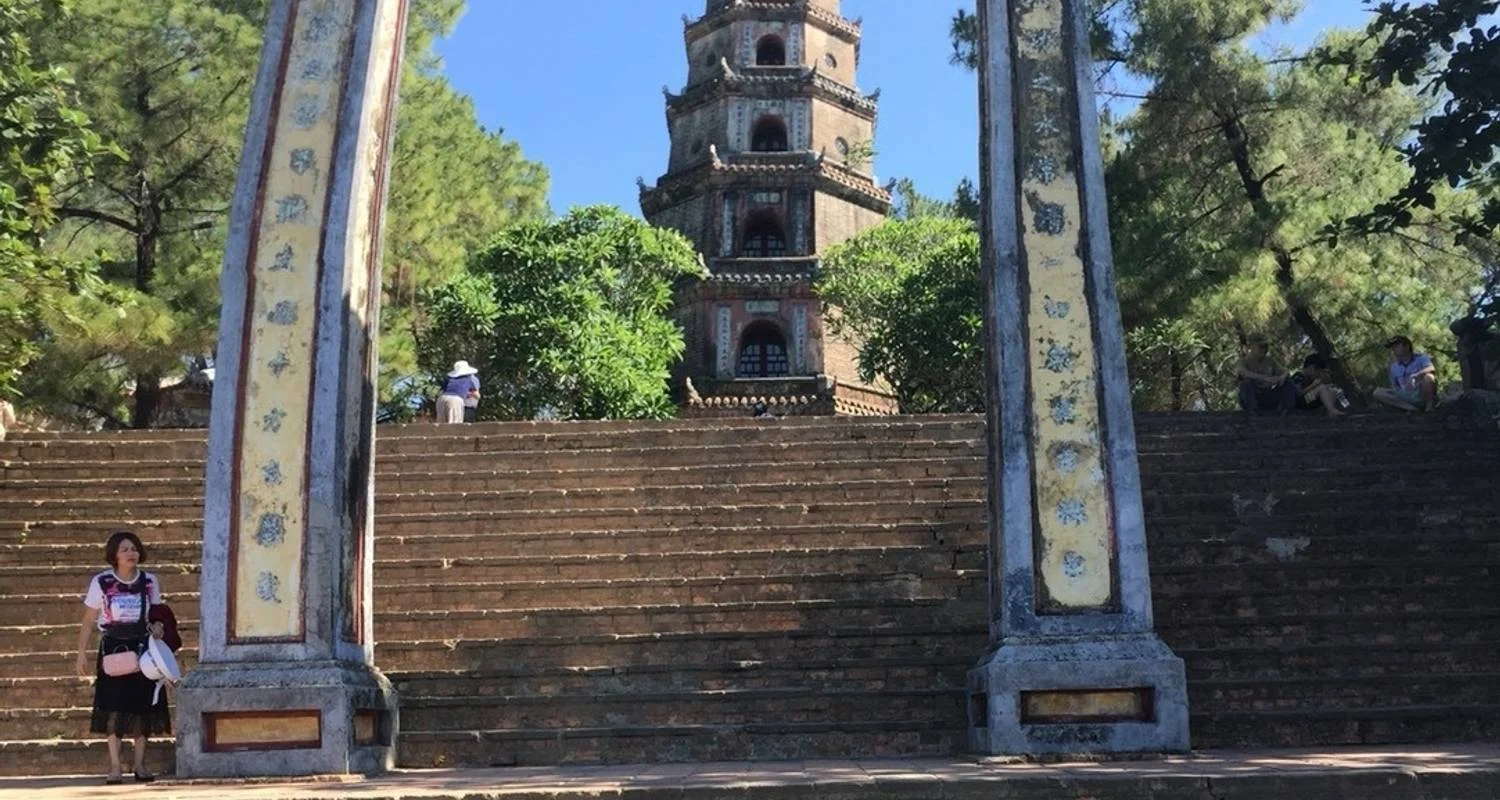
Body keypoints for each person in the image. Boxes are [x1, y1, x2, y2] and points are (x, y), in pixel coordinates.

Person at [74, 531, 169, 784]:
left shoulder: (149, 581)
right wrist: (81, 653)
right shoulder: (102, 582)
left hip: (142, 648)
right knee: (113, 707)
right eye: (125, 549)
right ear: (114, 555)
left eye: (134, 549)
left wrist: (158, 627)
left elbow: (156, 614)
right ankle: (115, 766)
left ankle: (140, 764)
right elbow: (88, 621)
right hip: (113, 648)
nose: (131, 553)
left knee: (143, 708)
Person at [1373, 335, 1438, 412]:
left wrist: (1415, 375)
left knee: (1429, 377)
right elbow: (1395, 386)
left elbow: (1431, 368)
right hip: (1405, 396)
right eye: (1392, 347)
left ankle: (1429, 407)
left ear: (1407, 346)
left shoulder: (1421, 358)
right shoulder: (1394, 367)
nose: (1393, 349)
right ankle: (1411, 409)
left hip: (1421, 394)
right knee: (1378, 392)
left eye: (1396, 346)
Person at [1236, 333, 1295, 415]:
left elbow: (1285, 372)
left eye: (1266, 346)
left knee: (1288, 383)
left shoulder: (1270, 360)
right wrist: (1265, 378)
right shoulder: (1243, 361)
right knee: (1246, 384)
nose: (1264, 349)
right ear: (1250, 347)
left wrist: (1281, 378)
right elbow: (1243, 372)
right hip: (1252, 396)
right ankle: (1253, 411)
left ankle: (1285, 410)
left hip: (1267, 395)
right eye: (1261, 347)